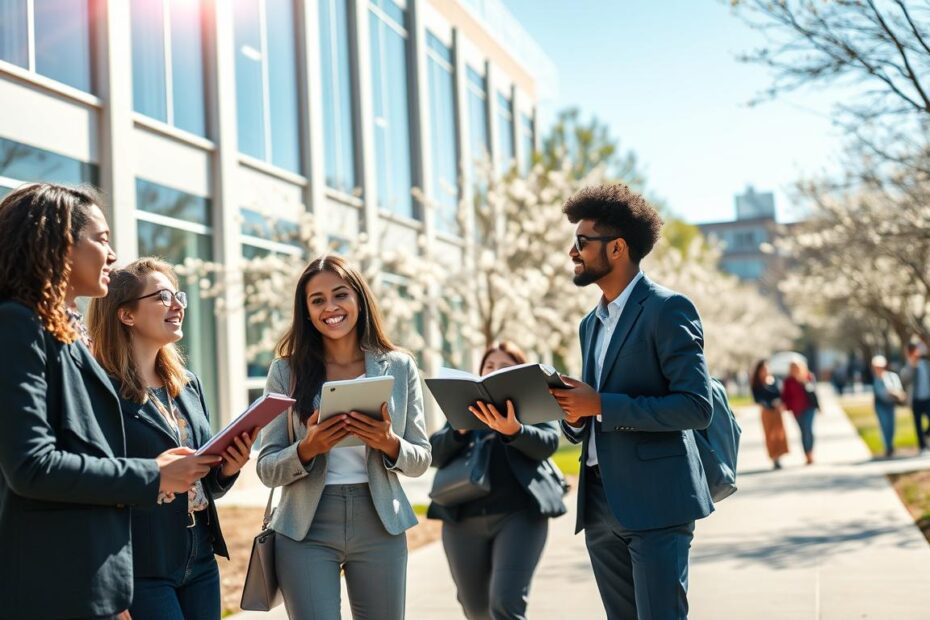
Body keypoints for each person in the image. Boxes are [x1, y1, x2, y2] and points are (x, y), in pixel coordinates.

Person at [0, 184, 216, 620]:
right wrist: (152, 475)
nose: (113, 255)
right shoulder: (16, 325)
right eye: (100, 239)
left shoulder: (69, 334)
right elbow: (31, 466)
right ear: (57, 242)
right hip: (50, 586)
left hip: (92, 581)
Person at [549, 184, 714, 620]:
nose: (573, 252)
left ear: (618, 248)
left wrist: (600, 404)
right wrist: (573, 412)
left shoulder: (668, 309)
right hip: (600, 503)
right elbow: (590, 409)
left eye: (582, 242)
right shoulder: (591, 323)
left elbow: (695, 407)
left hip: (658, 502)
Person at [255, 254, 431, 619]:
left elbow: (421, 458)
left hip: (379, 521)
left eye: (340, 295)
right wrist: (307, 448)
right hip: (305, 527)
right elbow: (267, 468)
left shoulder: (399, 366)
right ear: (305, 311)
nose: (330, 307)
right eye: (317, 300)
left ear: (359, 300)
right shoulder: (285, 371)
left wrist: (389, 443)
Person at [87, 257, 257, 619]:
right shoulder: (101, 392)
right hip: (141, 565)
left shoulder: (188, 384)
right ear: (126, 314)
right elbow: (98, 490)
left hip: (200, 557)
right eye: (163, 296)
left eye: (177, 294)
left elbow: (206, 483)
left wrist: (228, 468)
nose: (178, 304)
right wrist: (107, 586)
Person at [428, 341, 567, 620]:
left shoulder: (535, 404)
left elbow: (548, 444)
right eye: (489, 366)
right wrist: (460, 429)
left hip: (519, 516)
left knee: (506, 604)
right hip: (462, 520)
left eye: (504, 367)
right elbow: (434, 455)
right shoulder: (465, 408)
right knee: (475, 609)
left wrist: (515, 430)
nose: (494, 371)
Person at [750, 359, 789, 469]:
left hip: (777, 410)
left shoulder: (775, 380)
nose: (766, 370)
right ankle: (774, 457)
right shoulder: (757, 383)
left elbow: (781, 394)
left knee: (780, 433)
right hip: (766, 411)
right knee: (770, 435)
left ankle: (780, 456)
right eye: (764, 368)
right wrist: (767, 404)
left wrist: (779, 402)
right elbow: (757, 399)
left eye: (767, 368)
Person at [780, 358, 819, 465]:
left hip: (809, 408)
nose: (794, 369)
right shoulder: (788, 381)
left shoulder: (808, 376)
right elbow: (785, 396)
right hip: (796, 410)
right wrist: (784, 406)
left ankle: (810, 453)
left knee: (808, 430)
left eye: (796, 367)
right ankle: (806, 454)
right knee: (803, 432)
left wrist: (803, 381)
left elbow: (814, 393)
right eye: (792, 367)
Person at [871, 355, 904, 458]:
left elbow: (898, 389)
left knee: (891, 426)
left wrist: (893, 392)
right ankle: (888, 447)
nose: (878, 369)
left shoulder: (891, 376)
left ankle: (890, 445)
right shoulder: (876, 379)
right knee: (884, 426)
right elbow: (880, 394)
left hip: (890, 404)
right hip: (880, 405)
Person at [900, 342, 930, 453]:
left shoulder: (926, 364)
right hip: (915, 399)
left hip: (927, 398)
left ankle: (926, 435)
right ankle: (922, 447)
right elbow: (904, 379)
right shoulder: (908, 365)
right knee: (918, 423)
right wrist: (911, 365)